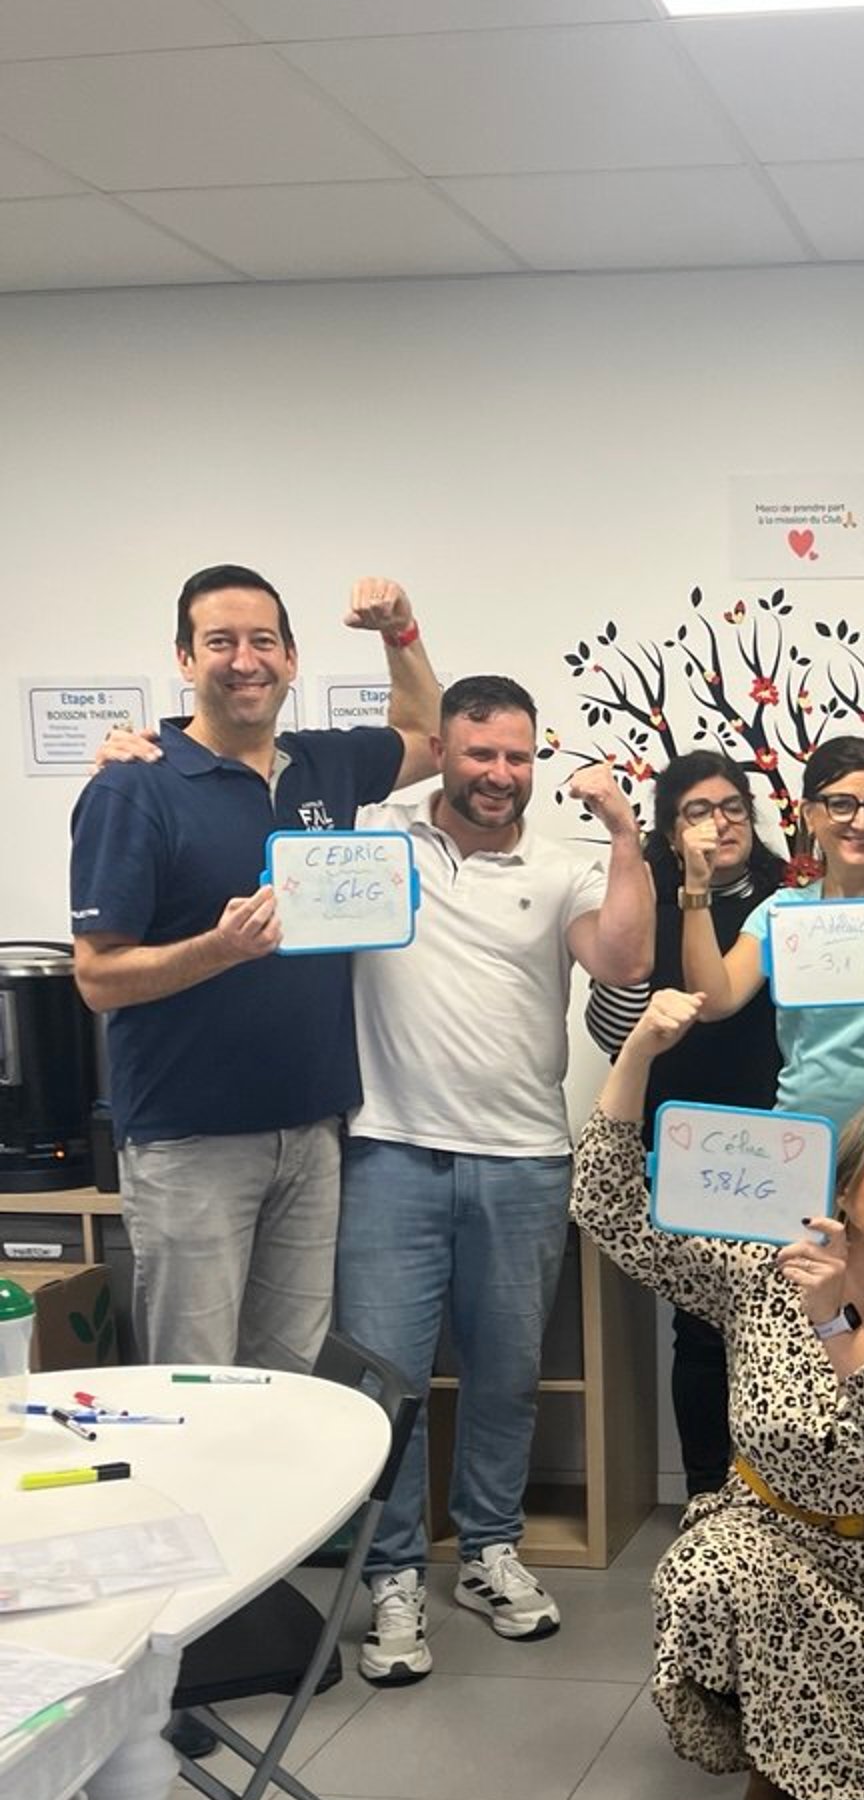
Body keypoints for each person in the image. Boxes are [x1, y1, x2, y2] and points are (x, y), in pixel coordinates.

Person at [572, 989, 864, 1800]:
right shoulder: (757, 1272)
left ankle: (843, 1742)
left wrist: (839, 1322)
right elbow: (609, 1211)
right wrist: (638, 1056)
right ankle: (772, 1748)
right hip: (778, 1546)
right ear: (846, 1185)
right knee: (706, 1573)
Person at [334, 607, 655, 1685]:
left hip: (522, 1158)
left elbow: (624, 958)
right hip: (387, 1151)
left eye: (518, 754)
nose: (500, 772)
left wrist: (622, 835)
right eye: (480, 751)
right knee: (387, 1382)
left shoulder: (564, 864)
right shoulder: (378, 839)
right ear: (447, 752)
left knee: (508, 1375)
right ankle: (388, 1578)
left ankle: (488, 1551)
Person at [70, 567, 436, 1371]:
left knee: (290, 1382)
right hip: (189, 1142)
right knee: (195, 1381)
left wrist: (398, 633)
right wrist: (218, 948)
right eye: (221, 642)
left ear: (292, 659)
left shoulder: (324, 766)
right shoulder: (135, 787)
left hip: (310, 1132)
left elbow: (426, 737)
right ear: (184, 658)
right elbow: (97, 977)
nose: (245, 661)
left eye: (263, 641)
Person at [584, 750, 787, 1505]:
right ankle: (708, 1489)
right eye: (698, 811)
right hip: (686, 1145)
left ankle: (779, 1492)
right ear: (671, 830)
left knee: (787, 1324)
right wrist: (638, 975)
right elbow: (607, 1030)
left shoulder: (786, 902)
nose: (720, 823)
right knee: (703, 1329)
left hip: (783, 1141)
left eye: (732, 806)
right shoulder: (651, 906)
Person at [677, 735, 864, 1131]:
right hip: (801, 1133)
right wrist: (695, 888)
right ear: (809, 814)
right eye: (841, 804)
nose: (862, 822)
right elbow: (713, 1001)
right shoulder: (782, 913)